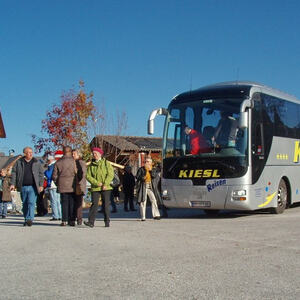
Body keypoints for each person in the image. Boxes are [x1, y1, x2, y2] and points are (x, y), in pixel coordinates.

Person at [10, 147, 44, 226]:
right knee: (25, 203)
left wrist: (41, 185)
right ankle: (26, 218)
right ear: (24, 153)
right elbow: (14, 173)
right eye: (29, 152)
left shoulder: (36, 162)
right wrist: (12, 183)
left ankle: (30, 219)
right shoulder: (19, 162)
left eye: (31, 152)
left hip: (33, 186)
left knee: (31, 202)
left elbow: (41, 174)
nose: (31, 154)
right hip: (23, 186)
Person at [84, 147, 114, 228]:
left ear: (100, 154)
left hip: (106, 187)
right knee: (94, 204)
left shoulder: (106, 163)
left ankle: (107, 221)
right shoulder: (91, 165)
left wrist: (105, 184)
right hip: (95, 187)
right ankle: (91, 222)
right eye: (93, 154)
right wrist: (97, 183)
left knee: (106, 205)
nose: (94, 155)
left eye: (96, 153)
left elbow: (110, 174)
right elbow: (88, 176)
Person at [52, 146, 76, 226]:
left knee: (64, 203)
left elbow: (54, 176)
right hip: (72, 184)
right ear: (70, 151)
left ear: (63, 152)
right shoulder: (74, 161)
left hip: (62, 184)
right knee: (72, 203)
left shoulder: (58, 162)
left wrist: (57, 183)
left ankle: (64, 220)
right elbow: (77, 172)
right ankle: (72, 220)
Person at [136, 157, 161, 221]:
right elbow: (137, 176)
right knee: (143, 201)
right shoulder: (141, 169)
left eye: (148, 162)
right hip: (143, 186)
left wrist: (150, 170)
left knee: (154, 200)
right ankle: (143, 217)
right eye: (146, 161)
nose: (146, 163)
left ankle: (156, 215)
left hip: (151, 187)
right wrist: (142, 177)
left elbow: (154, 176)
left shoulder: (153, 169)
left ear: (151, 163)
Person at [44, 155, 61, 221]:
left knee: (53, 201)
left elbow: (49, 175)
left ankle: (55, 216)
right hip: (57, 185)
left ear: (50, 160)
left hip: (52, 185)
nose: (47, 162)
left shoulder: (51, 166)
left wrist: (45, 172)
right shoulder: (57, 165)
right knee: (58, 201)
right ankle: (60, 215)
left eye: (47, 160)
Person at [72, 148, 87, 225]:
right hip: (72, 186)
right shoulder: (72, 162)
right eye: (72, 154)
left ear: (78, 154)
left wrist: (79, 183)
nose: (72, 155)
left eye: (74, 154)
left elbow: (83, 174)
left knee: (78, 203)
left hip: (79, 185)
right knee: (74, 203)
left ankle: (79, 219)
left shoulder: (81, 162)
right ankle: (73, 218)